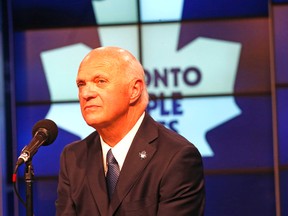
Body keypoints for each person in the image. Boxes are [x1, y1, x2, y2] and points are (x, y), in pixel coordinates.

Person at [55, 46, 205, 215]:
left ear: (134, 90)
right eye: (81, 84)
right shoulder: (73, 157)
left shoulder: (176, 157)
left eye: (100, 81)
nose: (86, 93)